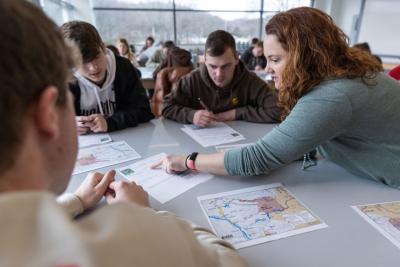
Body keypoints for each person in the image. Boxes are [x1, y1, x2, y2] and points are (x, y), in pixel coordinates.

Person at [0, 1, 249, 266]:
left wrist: (75, 202)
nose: (93, 69)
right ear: (47, 114)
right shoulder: (121, 241)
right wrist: (145, 216)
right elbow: (229, 261)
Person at [154, 7, 400, 190]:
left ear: (304, 58)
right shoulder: (354, 73)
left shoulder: (333, 96)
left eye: (275, 60)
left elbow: (257, 159)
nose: (268, 69)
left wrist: (188, 160)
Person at [162, 30, 282, 127]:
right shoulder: (191, 80)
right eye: (213, 66)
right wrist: (191, 115)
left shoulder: (250, 80)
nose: (219, 74)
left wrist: (236, 113)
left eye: (226, 66)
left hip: (241, 147)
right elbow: (166, 107)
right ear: (205, 59)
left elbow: (280, 111)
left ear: (236, 58)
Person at [61, 21, 154, 134]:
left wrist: (110, 122)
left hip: (126, 140)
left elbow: (144, 111)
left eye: (96, 56)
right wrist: (67, 124)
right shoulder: (65, 78)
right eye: (83, 62)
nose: (93, 68)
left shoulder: (123, 67)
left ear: (103, 48)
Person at [152, 47, 194, 117]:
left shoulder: (164, 70)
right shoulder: (191, 65)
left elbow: (155, 74)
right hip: (190, 111)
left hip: (168, 110)